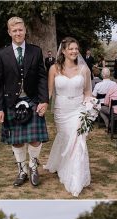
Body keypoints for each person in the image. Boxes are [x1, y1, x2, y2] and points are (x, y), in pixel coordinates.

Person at [0, 16, 50, 187]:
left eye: (20, 30)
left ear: (25, 30)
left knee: (34, 139)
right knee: (16, 140)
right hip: (11, 102)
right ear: (9, 32)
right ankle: (22, 170)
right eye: (14, 30)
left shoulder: (36, 51)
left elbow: (42, 77)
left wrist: (44, 100)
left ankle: (33, 167)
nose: (18, 33)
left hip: (32, 100)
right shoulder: (2, 54)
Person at [44, 37, 93, 197]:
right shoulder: (54, 69)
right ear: (63, 51)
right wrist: (42, 105)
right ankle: (60, 163)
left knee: (77, 141)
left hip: (79, 110)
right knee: (65, 138)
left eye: (76, 48)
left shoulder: (84, 70)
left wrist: (89, 108)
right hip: (61, 110)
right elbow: (50, 92)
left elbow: (87, 92)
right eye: (70, 49)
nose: (74, 51)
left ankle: (75, 178)